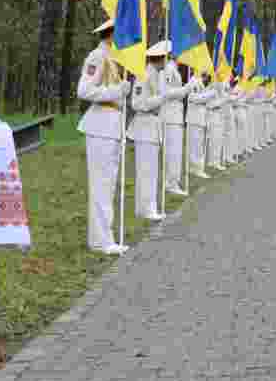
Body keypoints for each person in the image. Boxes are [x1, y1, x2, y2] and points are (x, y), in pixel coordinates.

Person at [76, 17, 132, 255]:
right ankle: (100, 240)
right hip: (100, 126)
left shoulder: (114, 58)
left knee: (108, 185)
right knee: (101, 185)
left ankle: (105, 236)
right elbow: (83, 90)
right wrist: (116, 91)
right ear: (111, 34)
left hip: (112, 126)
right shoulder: (97, 56)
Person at [129, 41, 169, 221]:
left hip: (152, 126)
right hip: (144, 126)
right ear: (159, 59)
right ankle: (147, 209)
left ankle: (146, 207)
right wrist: (160, 99)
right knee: (146, 170)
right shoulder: (144, 75)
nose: (167, 62)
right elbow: (137, 103)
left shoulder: (155, 75)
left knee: (151, 170)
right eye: (165, 58)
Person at [159, 50, 192, 196]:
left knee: (175, 151)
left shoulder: (174, 69)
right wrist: (185, 89)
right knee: (173, 151)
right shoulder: (169, 69)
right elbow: (165, 92)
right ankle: (171, 182)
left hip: (175, 114)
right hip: (170, 114)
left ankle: (172, 181)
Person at [187, 71, 213, 178]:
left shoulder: (203, 83)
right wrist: (209, 94)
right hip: (194, 118)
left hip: (201, 118)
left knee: (199, 145)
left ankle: (197, 167)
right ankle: (195, 168)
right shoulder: (194, 80)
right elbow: (193, 98)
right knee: (195, 145)